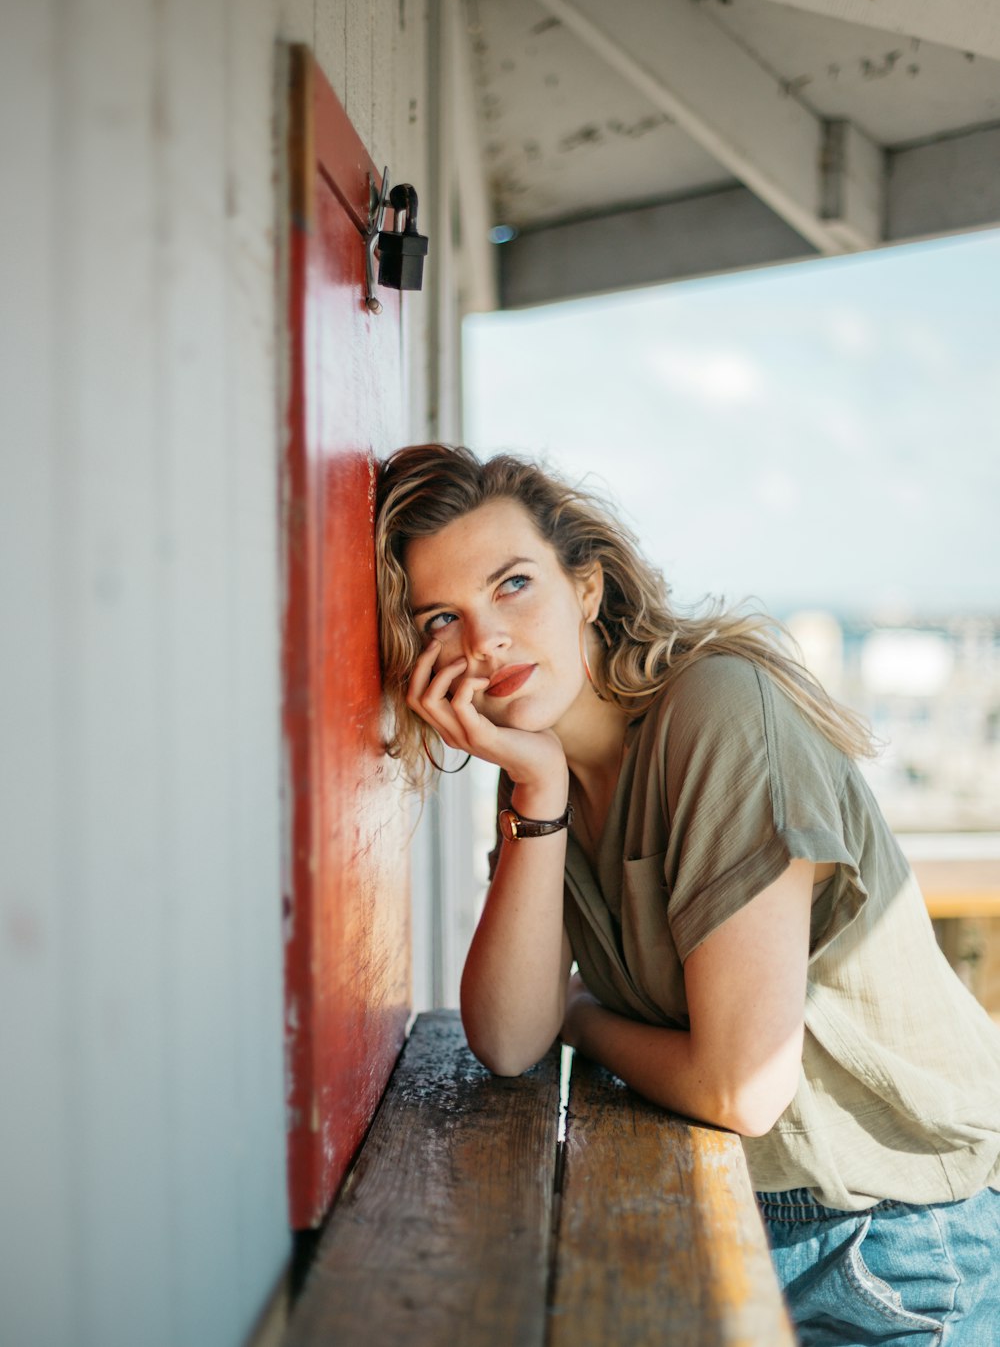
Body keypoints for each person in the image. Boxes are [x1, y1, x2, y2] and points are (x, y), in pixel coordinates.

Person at [374, 442, 1000, 1346]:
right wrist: (538, 799)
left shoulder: (714, 712)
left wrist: (582, 1020)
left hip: (893, 1235)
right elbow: (510, 1038)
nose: (484, 642)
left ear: (586, 588)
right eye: (442, 617)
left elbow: (741, 1088)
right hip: (740, 1207)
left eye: (513, 586)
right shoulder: (544, 779)